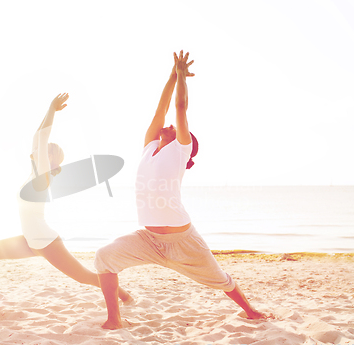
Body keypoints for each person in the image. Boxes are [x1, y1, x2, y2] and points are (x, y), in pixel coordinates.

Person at [94, 51, 270, 329]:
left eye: (177, 128)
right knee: (104, 257)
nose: (171, 125)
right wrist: (172, 75)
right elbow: (161, 108)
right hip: (147, 239)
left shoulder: (179, 150)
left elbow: (180, 106)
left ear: (184, 143)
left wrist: (182, 80)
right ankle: (114, 319)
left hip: (183, 241)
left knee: (220, 279)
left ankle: (250, 311)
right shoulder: (149, 147)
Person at [0, 93, 132, 312]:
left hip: (45, 241)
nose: (37, 149)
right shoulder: (32, 175)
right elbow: (36, 138)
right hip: (31, 240)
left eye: (44, 150)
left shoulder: (43, 176)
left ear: (48, 159)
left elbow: (40, 138)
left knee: (85, 277)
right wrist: (47, 113)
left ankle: (125, 296)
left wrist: (51, 110)